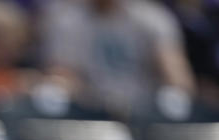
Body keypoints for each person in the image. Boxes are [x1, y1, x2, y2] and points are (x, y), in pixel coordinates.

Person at [37, 0, 196, 118]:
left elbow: (178, 76)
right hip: (89, 111)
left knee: (175, 103)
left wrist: (173, 93)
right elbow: (62, 73)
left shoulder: (151, 18)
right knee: (51, 95)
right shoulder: (67, 20)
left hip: (144, 112)